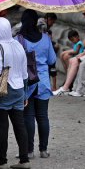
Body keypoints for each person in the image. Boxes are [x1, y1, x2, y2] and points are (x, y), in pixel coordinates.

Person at [0, 17, 30, 169]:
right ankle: (24, 159)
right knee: (20, 126)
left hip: (3, 91)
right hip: (18, 90)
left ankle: (2, 161)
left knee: (2, 127)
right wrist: (25, 94)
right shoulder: (18, 45)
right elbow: (25, 73)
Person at [15, 9, 56, 158]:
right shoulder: (45, 38)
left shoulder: (18, 40)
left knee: (28, 116)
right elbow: (52, 60)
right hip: (43, 82)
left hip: (27, 82)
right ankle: (43, 150)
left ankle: (29, 150)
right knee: (43, 116)